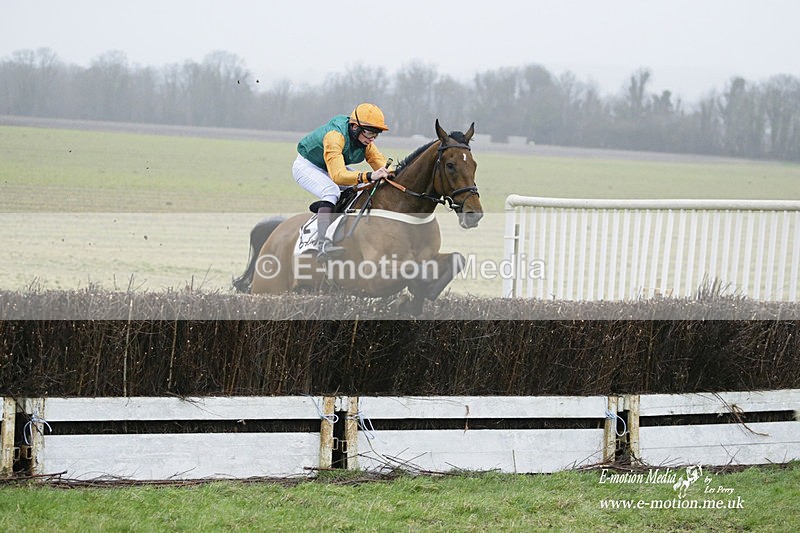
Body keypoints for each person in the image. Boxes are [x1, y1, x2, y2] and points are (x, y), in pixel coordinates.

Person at [293, 103, 391, 261]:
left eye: (376, 134)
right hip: (307, 166)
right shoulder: (335, 136)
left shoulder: (366, 142)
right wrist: (369, 175)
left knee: (364, 187)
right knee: (330, 191)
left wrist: (394, 176)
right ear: (354, 127)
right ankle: (322, 242)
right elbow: (338, 176)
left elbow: (381, 164)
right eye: (369, 133)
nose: (372, 139)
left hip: (330, 166)